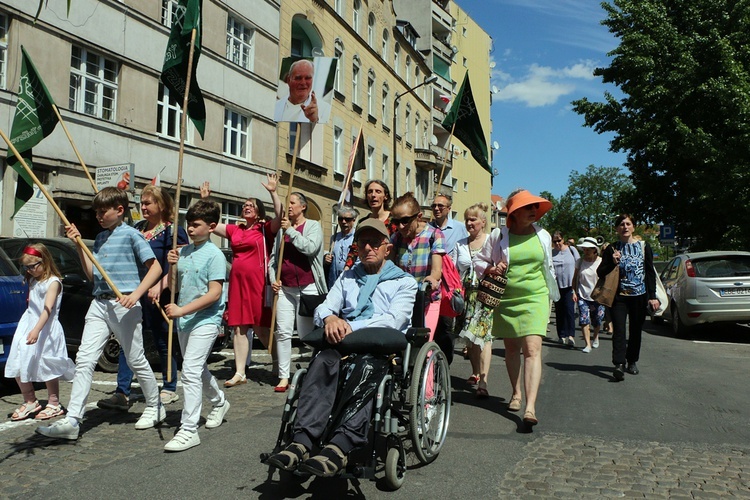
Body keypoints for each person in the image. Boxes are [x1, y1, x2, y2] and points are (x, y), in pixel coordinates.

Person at [265, 219, 417, 477]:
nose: (368, 247)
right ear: (356, 247)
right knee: (323, 360)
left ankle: (340, 446)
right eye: (362, 243)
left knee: (366, 367)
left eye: (374, 242)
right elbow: (325, 306)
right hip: (342, 341)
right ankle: (301, 441)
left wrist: (350, 326)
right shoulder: (348, 277)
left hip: (381, 348)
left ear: (387, 248)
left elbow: (394, 320)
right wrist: (329, 319)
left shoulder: (404, 282)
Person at [38, 187, 164, 440]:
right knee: (85, 359)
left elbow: (156, 268)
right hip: (99, 303)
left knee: (135, 357)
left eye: (102, 211)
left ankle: (155, 405)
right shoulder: (100, 238)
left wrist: (136, 294)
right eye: (95, 211)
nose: (98, 215)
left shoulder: (132, 235)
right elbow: (92, 275)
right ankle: (73, 420)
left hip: (124, 303)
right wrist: (78, 245)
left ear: (119, 210)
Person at [97, 185, 189, 411]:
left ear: (162, 205)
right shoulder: (136, 229)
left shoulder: (173, 232)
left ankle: (168, 386)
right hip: (133, 293)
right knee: (127, 341)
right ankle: (122, 392)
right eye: (142, 203)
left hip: (160, 293)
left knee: (162, 340)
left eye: (148, 203)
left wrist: (161, 285)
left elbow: (177, 265)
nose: (143, 207)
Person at [473, 189, 558, 427]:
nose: (533, 211)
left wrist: (553, 295)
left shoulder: (544, 235)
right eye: (527, 208)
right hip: (507, 298)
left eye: (535, 208)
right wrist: (492, 269)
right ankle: (516, 393)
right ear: (515, 212)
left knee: (532, 348)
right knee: (512, 349)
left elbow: (548, 267)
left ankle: (530, 407)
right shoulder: (499, 235)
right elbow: (479, 261)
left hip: (536, 297)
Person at [201, 174, 282, 388]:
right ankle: (239, 372)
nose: (246, 207)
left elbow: (280, 215)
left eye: (251, 205)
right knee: (238, 327)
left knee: (262, 327)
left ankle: (277, 361)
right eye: (245, 205)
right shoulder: (235, 229)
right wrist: (207, 202)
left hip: (257, 282)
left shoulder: (264, 230)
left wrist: (273, 192)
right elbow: (211, 226)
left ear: (258, 212)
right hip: (237, 283)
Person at [162, 200, 230, 451]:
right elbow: (174, 286)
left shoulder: (215, 256)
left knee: (189, 370)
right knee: (197, 368)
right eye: (188, 224)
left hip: (207, 319)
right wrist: (172, 266)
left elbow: (214, 294)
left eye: (196, 225)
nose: (190, 229)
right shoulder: (183, 252)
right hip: (185, 319)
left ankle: (189, 429)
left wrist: (181, 310)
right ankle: (219, 401)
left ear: (211, 227)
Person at [5, 244, 75, 421]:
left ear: (44, 261)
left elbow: (48, 309)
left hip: (46, 328)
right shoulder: (34, 280)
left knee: (47, 364)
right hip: (27, 324)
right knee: (18, 359)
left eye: (32, 266)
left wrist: (37, 329)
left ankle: (54, 402)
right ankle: (30, 400)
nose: (29, 270)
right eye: (26, 267)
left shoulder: (53, 282)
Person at [270, 192, 327, 392]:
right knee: (283, 333)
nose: (289, 207)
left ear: (303, 206)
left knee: (306, 335)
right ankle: (284, 376)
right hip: (285, 288)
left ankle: (314, 371)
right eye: (288, 203)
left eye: (292, 203)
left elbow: (310, 248)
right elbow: (273, 259)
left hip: (308, 287)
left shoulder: (313, 226)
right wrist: (272, 279)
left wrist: (292, 232)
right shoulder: (281, 230)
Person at [597, 214, 660, 381]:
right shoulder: (612, 248)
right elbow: (600, 272)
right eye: (621, 225)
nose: (625, 227)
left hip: (639, 296)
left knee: (635, 330)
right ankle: (618, 364)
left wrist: (652, 296)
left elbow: (649, 272)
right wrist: (612, 261)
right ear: (617, 229)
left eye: (628, 224)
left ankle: (632, 361)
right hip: (619, 296)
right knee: (619, 330)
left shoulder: (643, 246)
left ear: (633, 227)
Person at [389, 192, 444, 336]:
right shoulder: (396, 238)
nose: (400, 226)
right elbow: (387, 265)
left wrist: (433, 278)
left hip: (427, 298)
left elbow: (437, 270)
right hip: (403, 298)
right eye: (396, 222)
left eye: (405, 220)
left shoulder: (434, 235)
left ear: (418, 217)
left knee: (424, 340)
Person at [455, 203, 493, 397]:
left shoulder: (491, 241)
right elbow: (455, 270)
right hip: (467, 295)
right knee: (471, 339)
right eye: (467, 219)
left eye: (473, 219)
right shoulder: (460, 244)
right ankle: (476, 372)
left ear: (483, 222)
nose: (469, 223)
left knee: (484, 338)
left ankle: (483, 382)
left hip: (486, 295)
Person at [429, 193, 469, 364]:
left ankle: (445, 362)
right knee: (431, 324)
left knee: (446, 324)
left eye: (441, 206)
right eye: (434, 206)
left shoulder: (459, 228)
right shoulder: (428, 228)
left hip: (450, 284)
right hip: (433, 280)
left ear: (449, 209)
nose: (437, 209)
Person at [343, 180, 396, 270]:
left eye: (378, 191)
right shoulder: (363, 222)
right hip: (368, 269)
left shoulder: (395, 220)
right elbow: (355, 247)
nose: (373, 195)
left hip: (390, 268)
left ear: (385, 196)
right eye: (370, 192)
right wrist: (346, 269)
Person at [572, 237, 604, 353]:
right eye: (584, 249)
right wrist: (574, 291)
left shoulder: (601, 261)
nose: (586, 252)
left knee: (597, 320)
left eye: (588, 249)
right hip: (582, 295)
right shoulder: (579, 262)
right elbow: (575, 278)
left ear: (595, 250)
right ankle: (587, 344)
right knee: (584, 320)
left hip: (598, 296)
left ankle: (595, 336)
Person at [273, 59, 331, 123]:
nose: (303, 83)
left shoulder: (324, 109)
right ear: (289, 80)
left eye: (307, 78)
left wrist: (314, 120)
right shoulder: (275, 107)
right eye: (298, 78)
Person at [552, 231, 580, 346]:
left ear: (563, 239)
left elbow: (578, 266)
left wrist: (576, 287)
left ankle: (571, 335)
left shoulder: (572, 250)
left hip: (569, 286)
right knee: (559, 312)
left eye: (559, 240)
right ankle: (561, 335)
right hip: (557, 286)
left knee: (569, 311)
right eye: (555, 241)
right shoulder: (552, 253)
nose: (557, 243)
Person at [325, 205, 359, 288]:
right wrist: (327, 259)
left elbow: (359, 260)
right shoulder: (334, 237)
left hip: (351, 279)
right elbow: (331, 256)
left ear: (353, 220)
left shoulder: (357, 237)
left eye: (347, 219)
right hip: (335, 281)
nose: (343, 222)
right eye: (340, 219)